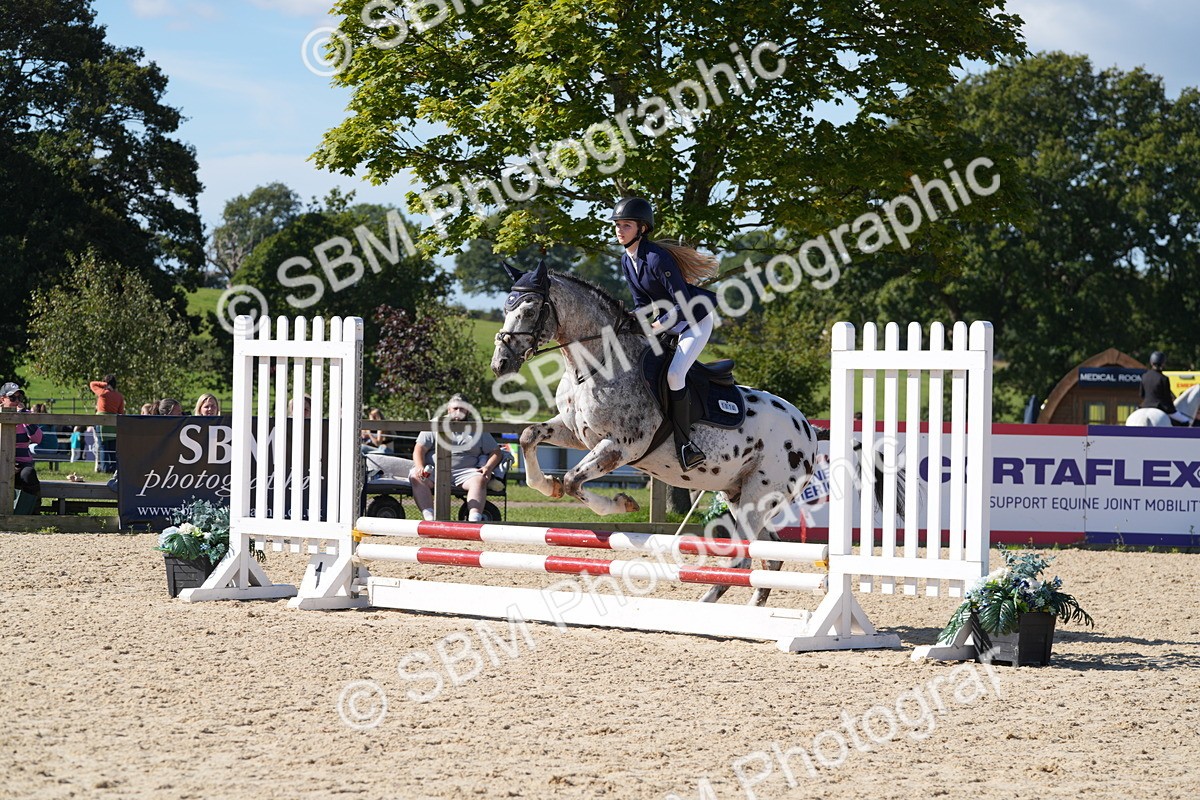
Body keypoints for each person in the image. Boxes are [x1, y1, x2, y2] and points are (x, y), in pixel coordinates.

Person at [612, 196, 720, 470]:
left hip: (694, 319)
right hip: (668, 320)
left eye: (626, 225)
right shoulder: (627, 260)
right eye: (617, 225)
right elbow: (641, 304)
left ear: (642, 229)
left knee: (674, 374)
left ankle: (685, 445)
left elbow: (682, 303)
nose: (619, 230)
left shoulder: (657, 258)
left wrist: (656, 327)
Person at [409, 395, 503, 522]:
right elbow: (419, 449)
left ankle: (474, 520)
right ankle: (430, 518)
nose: (458, 412)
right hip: (436, 471)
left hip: (466, 473)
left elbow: (496, 451)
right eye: (455, 408)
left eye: (462, 409)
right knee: (416, 476)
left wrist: (488, 467)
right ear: (448, 409)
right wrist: (420, 466)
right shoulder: (436, 423)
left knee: (479, 479)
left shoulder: (477, 428)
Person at [1, 382, 43, 508]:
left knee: (28, 474)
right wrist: (7, 464)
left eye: (19, 398)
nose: (17, 401)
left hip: (23, 464)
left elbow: (38, 438)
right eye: (13, 398)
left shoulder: (26, 415)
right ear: (2, 399)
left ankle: (33, 509)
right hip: (2, 463)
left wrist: (23, 417)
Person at [1140, 351, 1193, 424]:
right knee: (1186, 420)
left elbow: (1141, 394)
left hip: (1144, 406)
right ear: (1163, 363)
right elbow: (1167, 398)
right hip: (1160, 407)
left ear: (1151, 362)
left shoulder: (1144, 376)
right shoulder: (1163, 378)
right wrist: (1173, 409)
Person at [89, 374, 124, 473]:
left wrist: (104, 384)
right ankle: (114, 468)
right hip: (113, 423)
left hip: (101, 422)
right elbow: (121, 412)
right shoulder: (119, 396)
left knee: (103, 446)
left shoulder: (102, 393)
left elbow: (92, 384)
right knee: (113, 446)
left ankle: (105, 468)